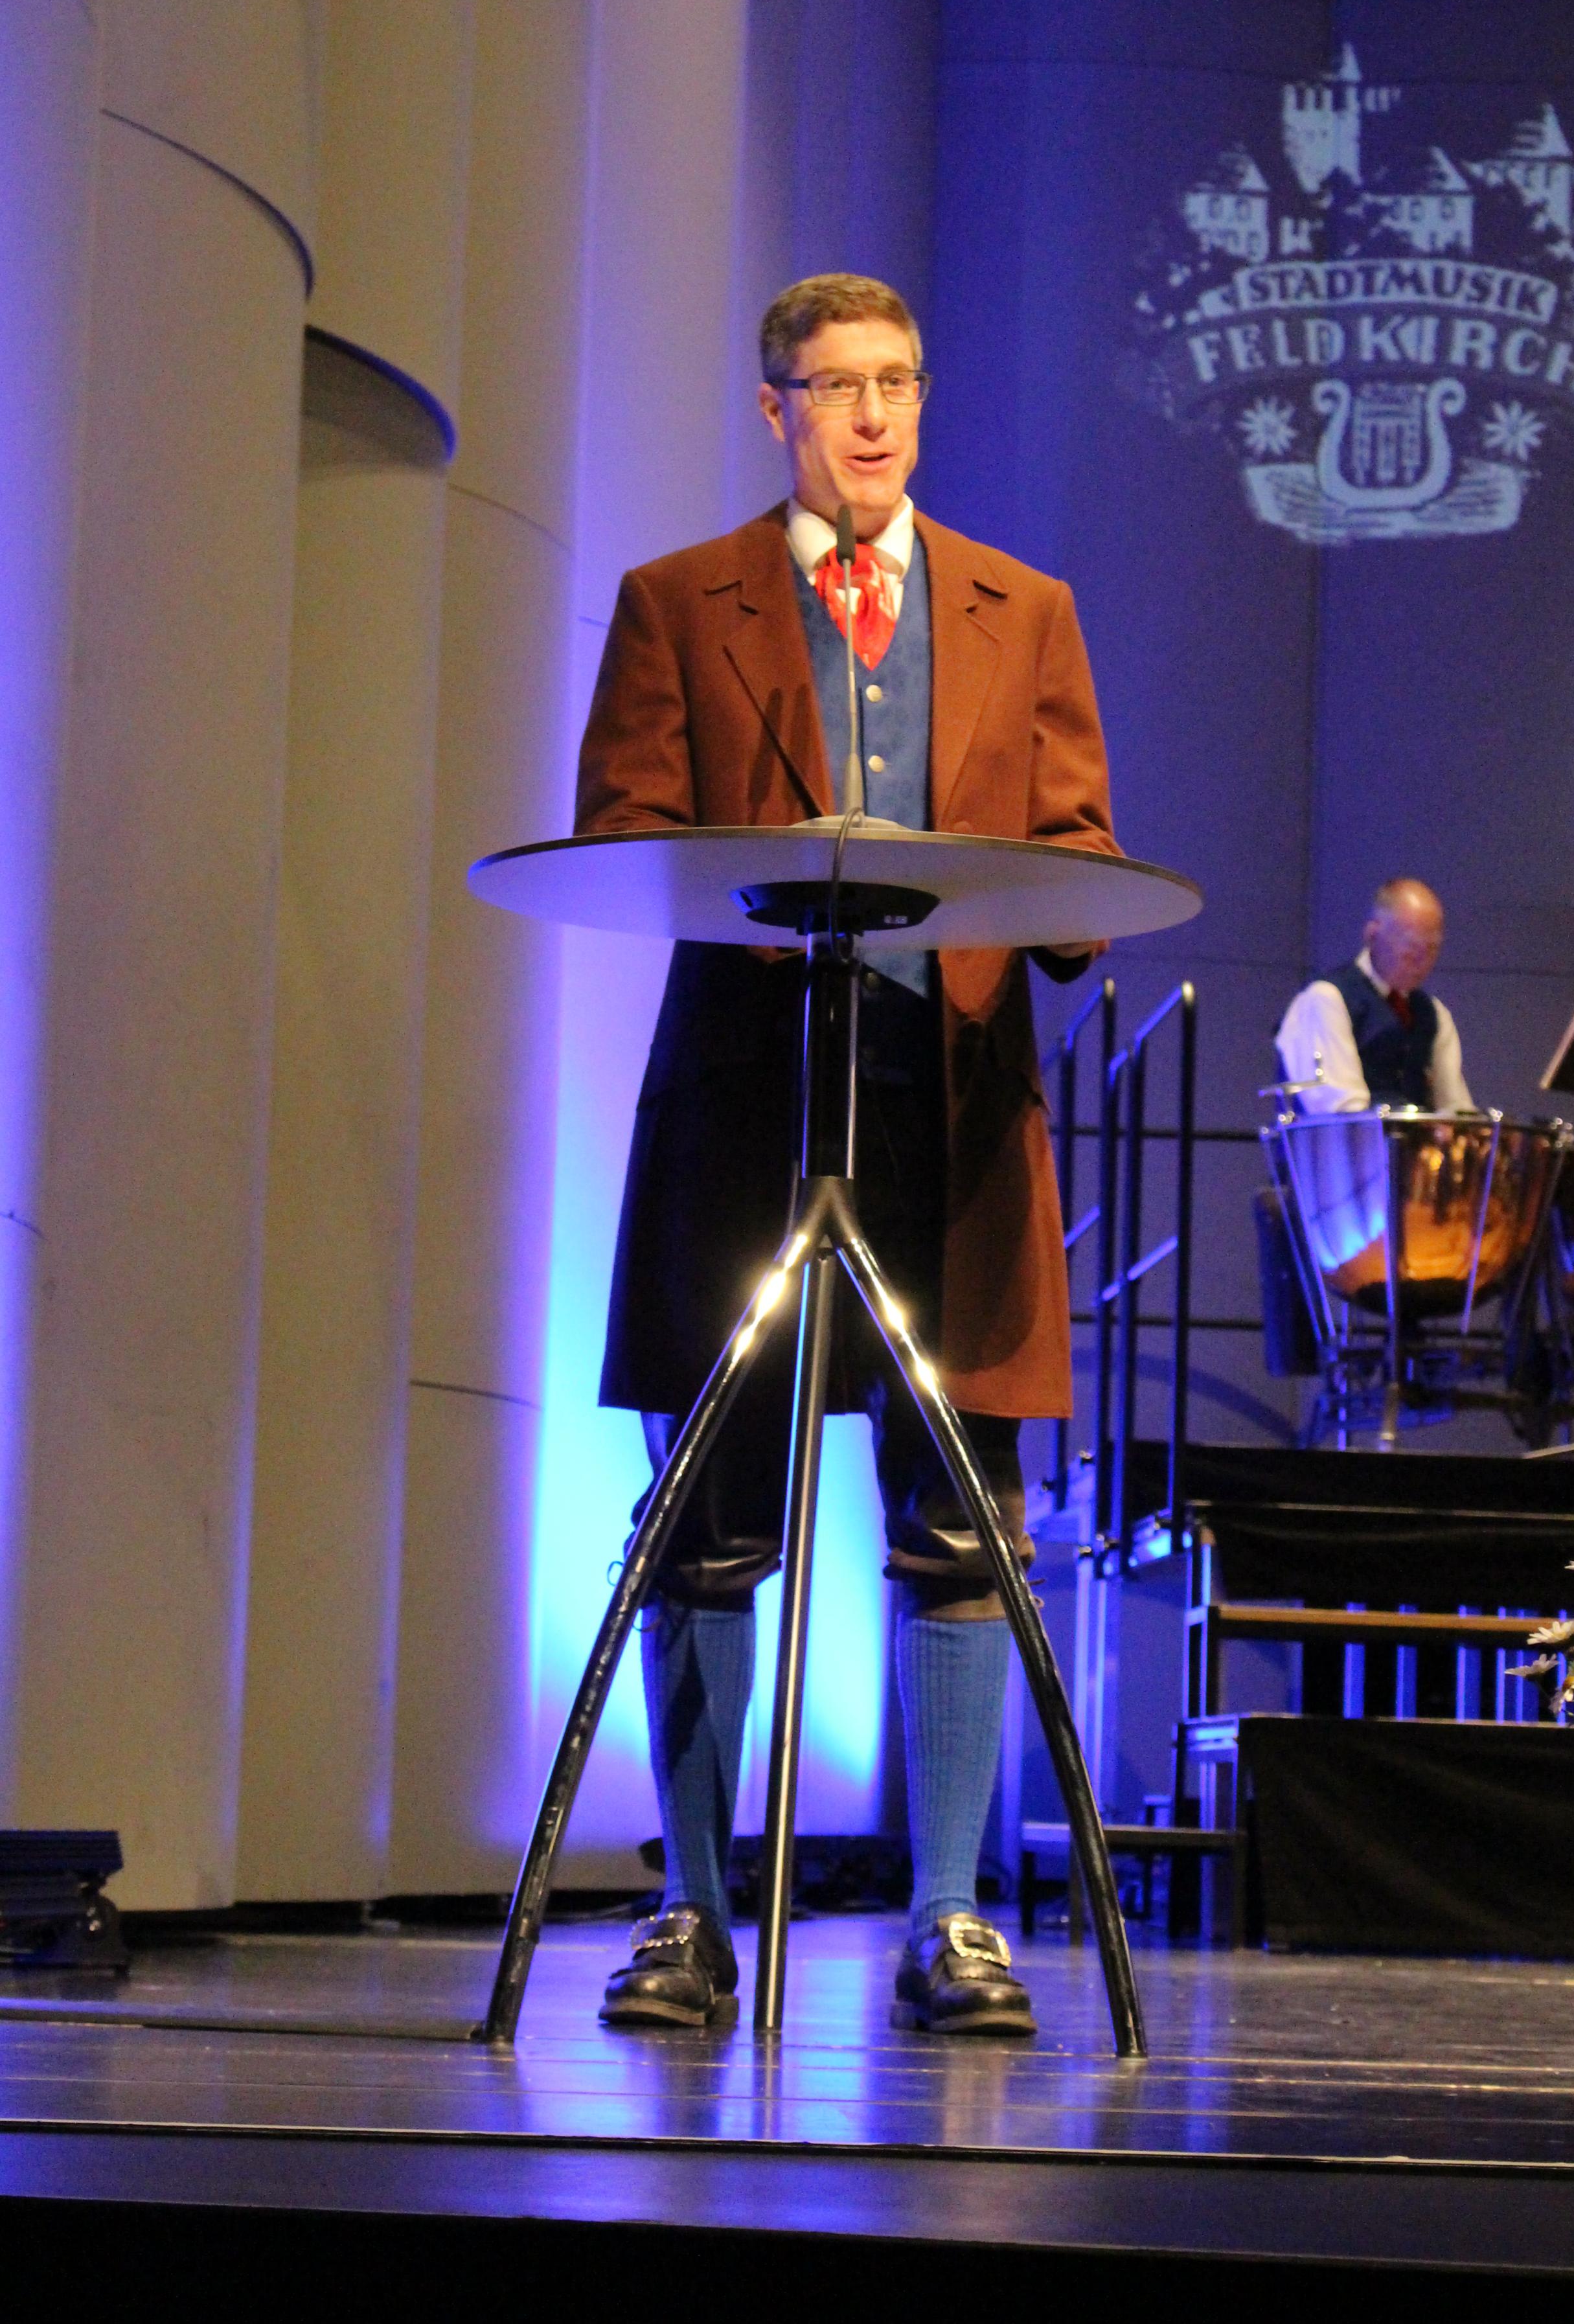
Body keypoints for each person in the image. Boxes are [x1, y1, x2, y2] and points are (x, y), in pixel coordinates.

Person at [573, 272, 1116, 2039]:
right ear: (776, 409)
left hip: (951, 1119)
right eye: (835, 386)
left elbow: (1075, 842)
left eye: (896, 381)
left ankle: (951, 1918)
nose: (872, 415)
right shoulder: (678, 601)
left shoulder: (1024, 608)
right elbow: (625, 834)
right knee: (710, 1517)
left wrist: (1060, 905)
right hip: (745, 1100)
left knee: (960, 1518)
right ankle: (691, 1909)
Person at [1274, 877, 1476, 1115]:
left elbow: (1456, 1108)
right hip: (1351, 1140)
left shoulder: (1434, 1013)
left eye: (1432, 949)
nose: (1423, 962)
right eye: (1412, 949)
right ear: (1372, 935)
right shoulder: (1325, 1000)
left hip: (1413, 1140)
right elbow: (1341, 1111)